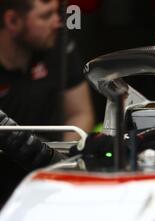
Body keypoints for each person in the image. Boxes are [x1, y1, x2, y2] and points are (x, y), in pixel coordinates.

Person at [0, 0, 94, 141]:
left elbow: (80, 113)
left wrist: (58, 157)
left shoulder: (60, 46)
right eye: (46, 16)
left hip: (52, 157)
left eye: (57, 12)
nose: (58, 23)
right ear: (13, 21)